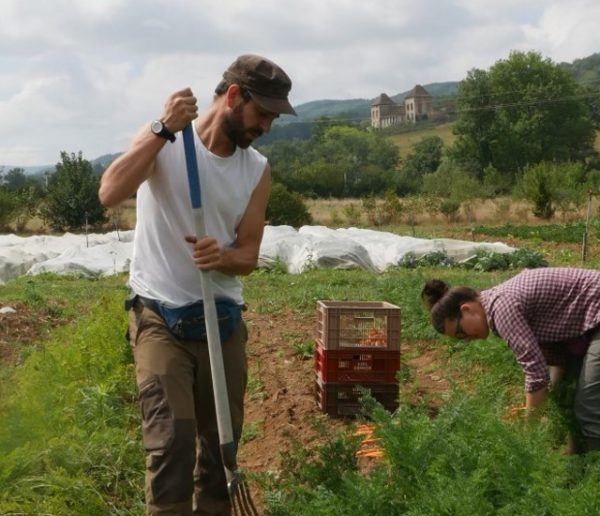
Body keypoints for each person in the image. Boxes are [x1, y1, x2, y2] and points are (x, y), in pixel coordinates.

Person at [99, 54, 296, 515]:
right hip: (160, 316)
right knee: (171, 444)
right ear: (232, 96)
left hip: (221, 321)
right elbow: (109, 193)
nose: (266, 126)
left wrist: (222, 257)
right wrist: (162, 128)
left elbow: (248, 254)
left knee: (219, 451)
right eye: (262, 114)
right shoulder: (165, 142)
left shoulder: (256, 171)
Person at [421, 267, 600, 453]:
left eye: (460, 332)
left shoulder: (501, 308)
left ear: (466, 309)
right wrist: (549, 392)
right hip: (593, 321)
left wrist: (527, 435)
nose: (465, 339)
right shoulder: (499, 303)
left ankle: (593, 474)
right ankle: (576, 461)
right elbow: (555, 356)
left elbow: (536, 373)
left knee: (588, 406)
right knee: (569, 395)